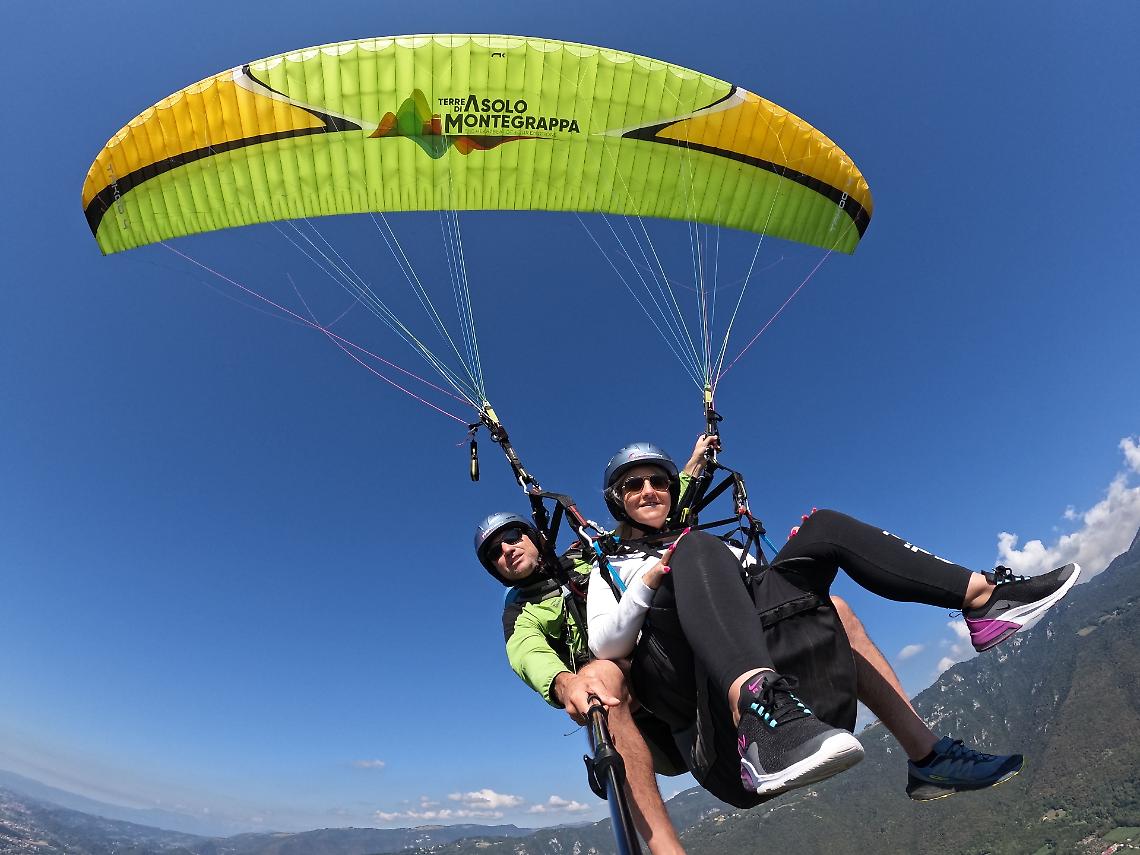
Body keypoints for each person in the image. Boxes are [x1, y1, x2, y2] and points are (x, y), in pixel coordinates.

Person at [585, 439, 1080, 801]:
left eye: (659, 482)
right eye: (634, 484)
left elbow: (765, 601)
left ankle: (982, 602)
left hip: (800, 700)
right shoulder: (608, 568)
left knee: (822, 528)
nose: (649, 490)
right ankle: (758, 717)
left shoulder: (714, 550)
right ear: (616, 499)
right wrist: (651, 580)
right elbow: (606, 644)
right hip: (716, 733)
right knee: (693, 549)